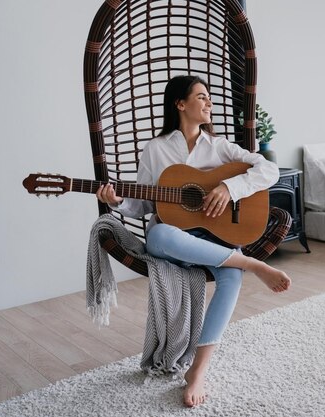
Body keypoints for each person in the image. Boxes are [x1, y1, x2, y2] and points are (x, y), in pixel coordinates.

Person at [96, 75, 292, 407]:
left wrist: (229, 188)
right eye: (201, 97)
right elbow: (145, 204)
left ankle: (197, 371)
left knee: (230, 276)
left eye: (208, 97)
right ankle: (249, 262)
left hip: (213, 238)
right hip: (172, 240)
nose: (209, 103)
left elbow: (267, 169)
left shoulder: (220, 147)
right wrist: (116, 201)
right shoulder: (156, 149)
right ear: (180, 104)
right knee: (158, 231)